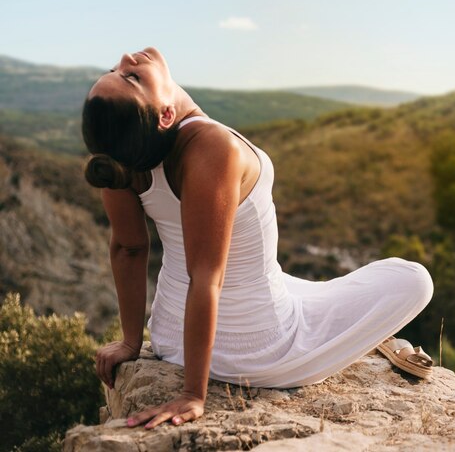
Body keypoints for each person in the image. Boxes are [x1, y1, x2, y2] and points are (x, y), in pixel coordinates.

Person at [82, 47, 434, 430]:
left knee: (290, 280)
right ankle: (360, 332)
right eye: (129, 78)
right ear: (166, 115)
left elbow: (129, 248)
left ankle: (343, 319)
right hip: (257, 351)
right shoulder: (211, 148)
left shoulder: (119, 152)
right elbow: (206, 278)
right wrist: (193, 395)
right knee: (413, 278)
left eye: (116, 70)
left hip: (171, 336)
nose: (126, 60)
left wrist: (132, 342)